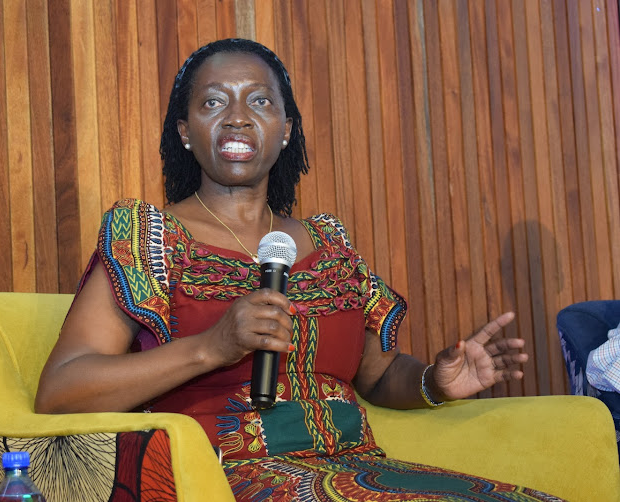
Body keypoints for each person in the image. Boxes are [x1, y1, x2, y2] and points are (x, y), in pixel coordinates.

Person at [35, 38, 563, 501]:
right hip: (222, 477)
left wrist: (434, 382)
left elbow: (376, 375)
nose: (237, 116)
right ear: (186, 132)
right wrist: (212, 346)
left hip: (358, 471)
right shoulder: (145, 236)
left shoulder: (328, 242)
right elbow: (61, 391)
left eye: (259, 101)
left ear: (285, 130)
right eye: (214, 102)